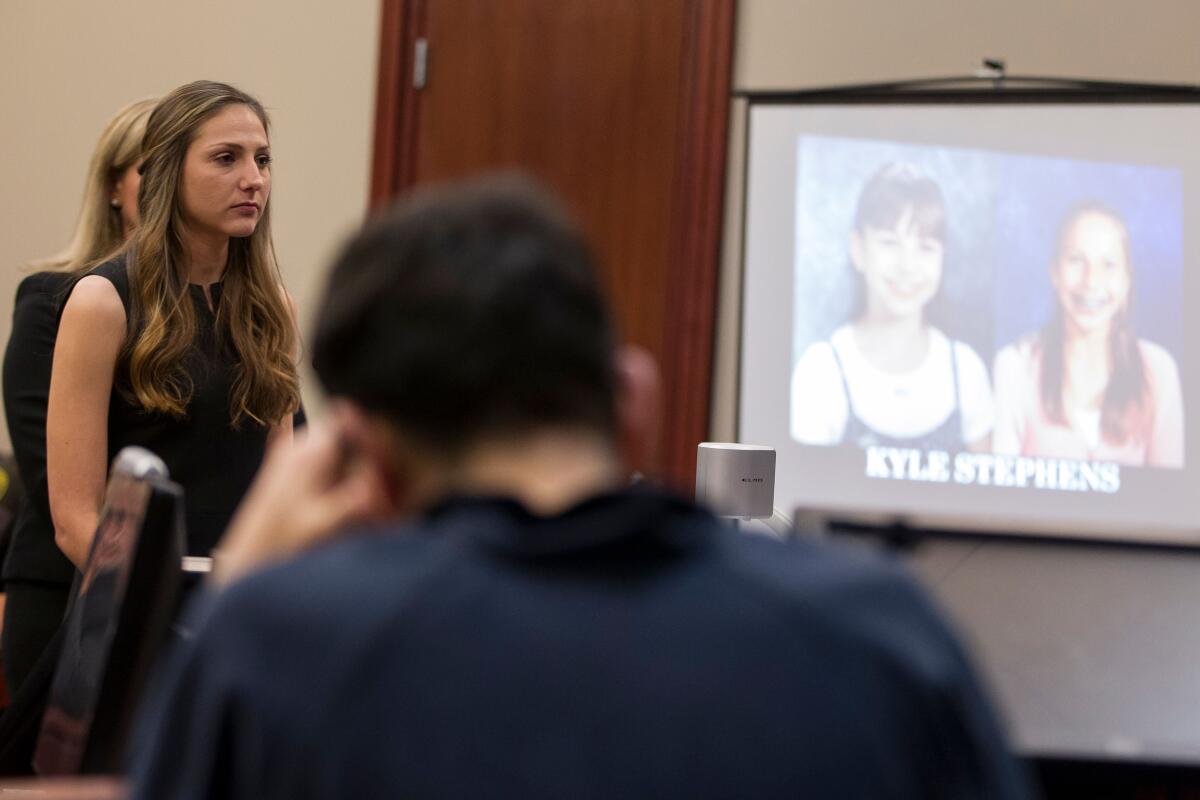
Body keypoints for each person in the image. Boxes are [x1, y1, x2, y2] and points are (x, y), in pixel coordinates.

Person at [129, 176, 1032, 799]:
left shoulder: (278, 652)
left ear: (365, 458)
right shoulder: (883, 632)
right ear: (633, 403)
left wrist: (242, 588)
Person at [46, 81, 299, 571]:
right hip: (135, 611)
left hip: (234, 606)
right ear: (168, 171)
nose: (254, 179)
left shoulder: (274, 308)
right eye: (227, 158)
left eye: (262, 160)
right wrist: (155, 603)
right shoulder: (102, 301)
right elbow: (75, 519)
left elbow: (278, 493)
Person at [2, 99, 155, 694]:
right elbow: (54, 480)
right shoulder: (52, 301)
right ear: (115, 186)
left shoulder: (239, 316)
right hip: (65, 592)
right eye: (150, 168)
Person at [790, 162, 993, 452]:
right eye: (889, 243)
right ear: (858, 249)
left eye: (925, 248)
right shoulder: (821, 371)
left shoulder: (966, 370)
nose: (907, 266)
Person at [993, 205, 1183, 466]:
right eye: (1076, 260)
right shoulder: (1014, 366)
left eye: (1109, 264)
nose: (1091, 280)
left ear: (1127, 280)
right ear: (1054, 272)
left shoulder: (1158, 369)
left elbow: (1167, 497)